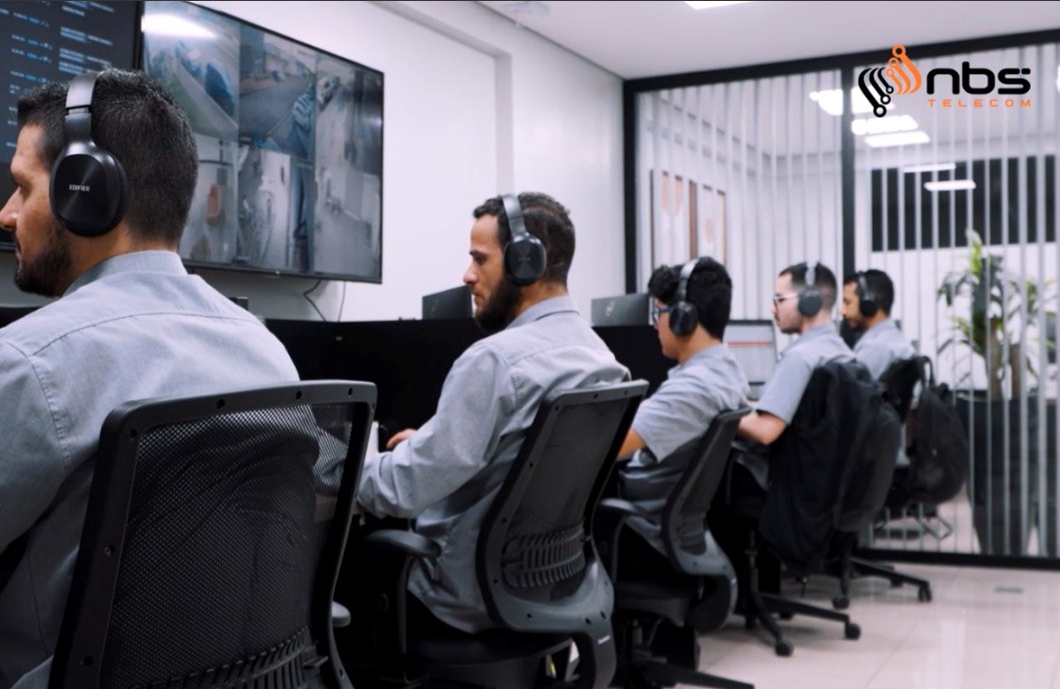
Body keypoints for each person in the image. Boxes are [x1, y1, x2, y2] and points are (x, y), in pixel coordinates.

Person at [0, 69, 299, 688]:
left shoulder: (32, 364)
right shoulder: (267, 352)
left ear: (85, 192)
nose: (5, 215)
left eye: (22, 187)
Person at [355, 192, 630, 633]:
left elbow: (401, 489)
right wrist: (435, 443)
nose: (467, 275)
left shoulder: (495, 362)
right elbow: (522, 455)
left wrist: (332, 464)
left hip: (460, 600)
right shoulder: (602, 359)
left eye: (479, 259)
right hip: (550, 586)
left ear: (525, 263)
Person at [614, 258, 749, 559]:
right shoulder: (726, 369)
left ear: (682, 317)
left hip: (640, 532)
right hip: (671, 527)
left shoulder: (692, 390)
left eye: (658, 313)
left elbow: (609, 447)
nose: (654, 324)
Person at [737, 261, 854, 456]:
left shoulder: (801, 358)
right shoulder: (842, 352)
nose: (773, 309)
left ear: (809, 301)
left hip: (784, 470)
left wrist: (711, 413)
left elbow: (764, 430)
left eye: (780, 299)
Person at [840, 269, 915, 381]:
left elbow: (848, 390)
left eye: (847, 302)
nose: (842, 311)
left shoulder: (874, 349)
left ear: (868, 303)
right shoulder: (897, 342)